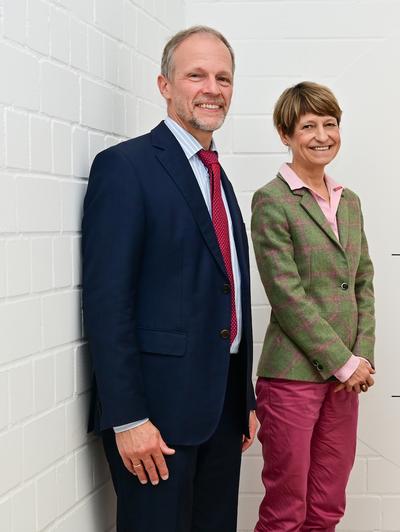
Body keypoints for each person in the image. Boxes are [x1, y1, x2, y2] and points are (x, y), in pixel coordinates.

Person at [82, 26, 256, 532]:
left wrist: (241, 398)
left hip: (221, 412)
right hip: (155, 419)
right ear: (164, 85)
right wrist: (128, 418)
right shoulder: (125, 167)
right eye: (196, 75)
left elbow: (229, 290)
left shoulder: (217, 174)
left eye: (223, 78)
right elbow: (107, 300)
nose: (212, 88)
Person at [250, 81, 375, 532]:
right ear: (286, 134)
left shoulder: (351, 202)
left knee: (327, 507)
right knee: (287, 510)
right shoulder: (272, 201)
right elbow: (286, 294)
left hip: (346, 379)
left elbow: (362, 280)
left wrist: (361, 357)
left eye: (330, 123)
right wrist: (342, 361)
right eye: (308, 126)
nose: (323, 135)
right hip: (292, 377)